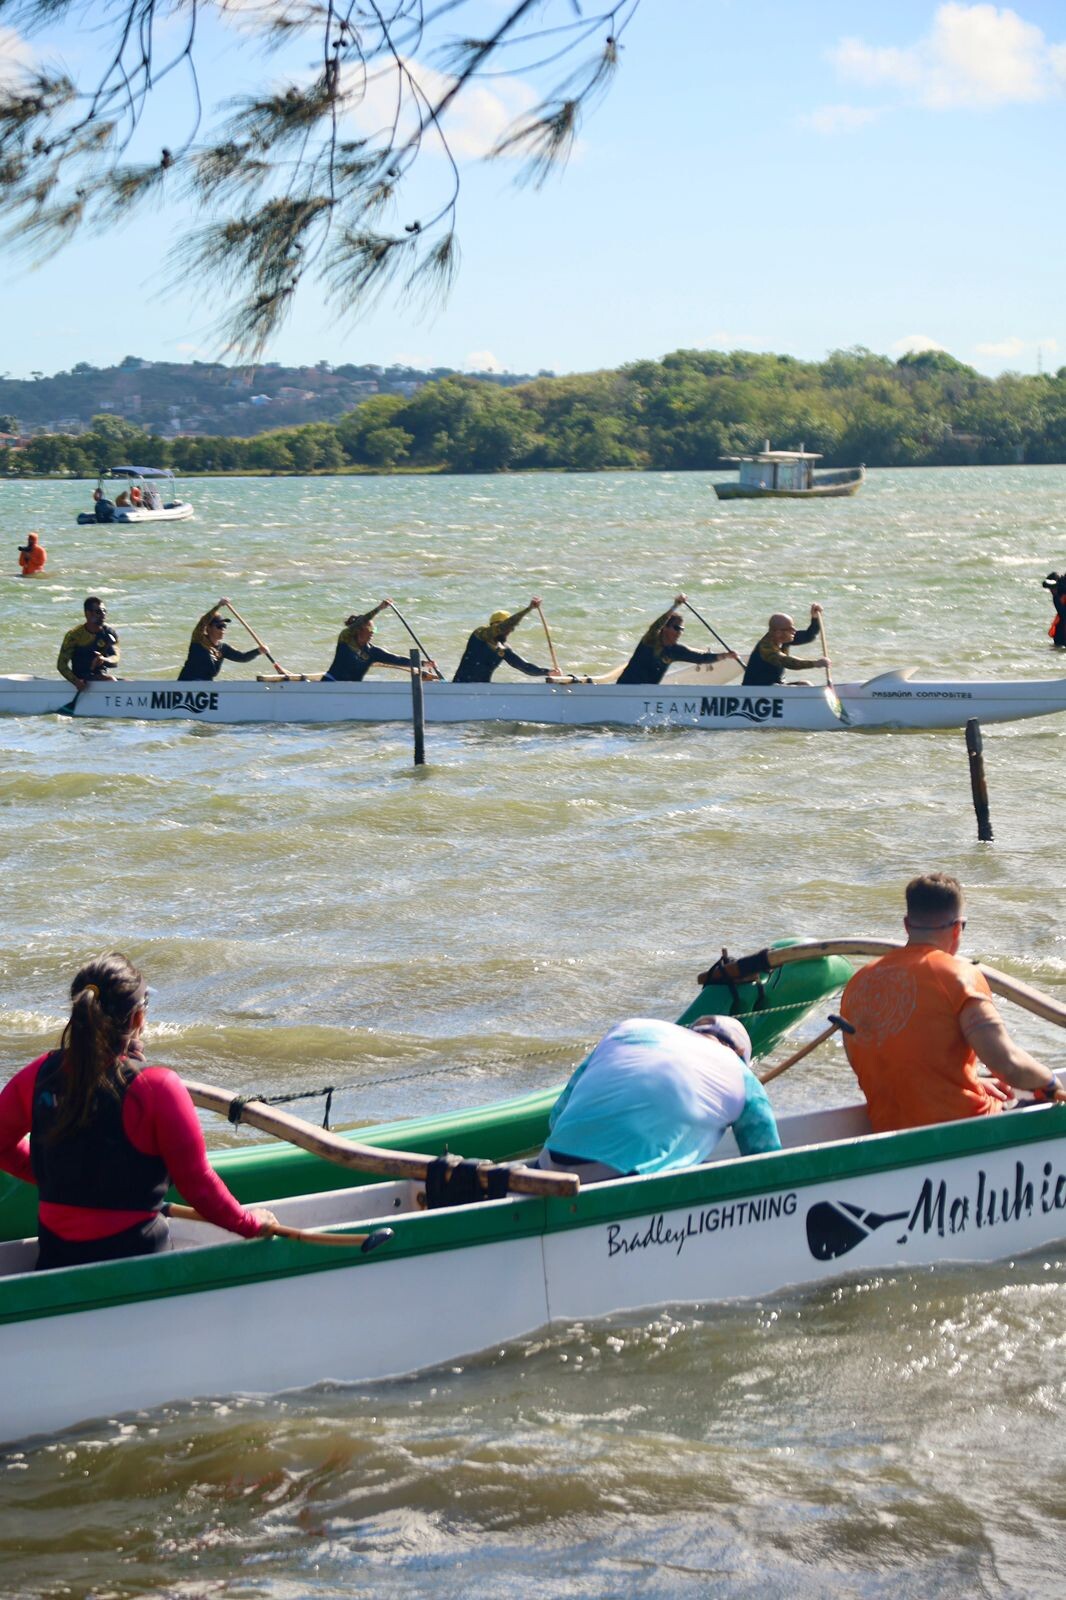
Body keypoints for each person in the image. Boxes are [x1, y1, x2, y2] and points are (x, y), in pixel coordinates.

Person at [0, 953, 277, 1270]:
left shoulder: (37, 1075)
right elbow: (197, 1184)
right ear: (138, 1019)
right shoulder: (158, 1087)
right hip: (137, 1265)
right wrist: (249, 1224)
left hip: (57, 1260)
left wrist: (61, 1178)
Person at [840, 873, 1064, 1134]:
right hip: (964, 1129)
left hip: (888, 1131)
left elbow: (893, 1061)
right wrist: (1050, 1082)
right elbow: (1008, 1065)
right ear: (958, 928)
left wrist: (972, 1080)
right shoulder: (958, 976)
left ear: (907, 925)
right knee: (1047, 1102)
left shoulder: (859, 983)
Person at [536, 1014, 780, 1183]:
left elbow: (556, 1117)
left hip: (549, 1164)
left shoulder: (627, 1029)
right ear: (741, 1054)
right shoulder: (743, 1077)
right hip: (622, 1179)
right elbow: (767, 1162)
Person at [616, 594, 741, 686]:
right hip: (624, 689)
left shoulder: (675, 651)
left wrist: (726, 655)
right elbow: (656, 625)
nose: (679, 632)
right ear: (665, 628)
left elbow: (701, 658)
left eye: (682, 629)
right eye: (676, 628)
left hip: (647, 693)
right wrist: (676, 605)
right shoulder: (651, 640)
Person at [323, 598, 438, 682]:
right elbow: (362, 621)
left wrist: (423, 663)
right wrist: (379, 608)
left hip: (351, 688)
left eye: (375, 629)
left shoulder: (373, 652)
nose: (372, 632)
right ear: (359, 629)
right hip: (331, 681)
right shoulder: (345, 638)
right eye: (370, 628)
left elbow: (397, 659)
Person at [452, 598, 560, 684]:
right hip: (460, 685)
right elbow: (504, 626)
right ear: (493, 626)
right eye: (508, 628)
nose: (508, 631)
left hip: (482, 691)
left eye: (511, 629)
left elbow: (524, 667)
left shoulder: (503, 649)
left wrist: (548, 672)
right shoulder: (480, 634)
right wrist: (529, 609)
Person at [742, 604, 829, 686]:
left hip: (775, 685)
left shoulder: (784, 638)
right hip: (756, 688)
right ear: (778, 632)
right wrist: (815, 663)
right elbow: (788, 662)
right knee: (805, 685)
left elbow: (808, 636)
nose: (794, 630)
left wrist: (815, 618)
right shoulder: (766, 648)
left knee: (805, 684)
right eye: (790, 628)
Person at [178, 602, 264, 681]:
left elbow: (243, 657)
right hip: (187, 682)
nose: (222, 630)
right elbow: (203, 622)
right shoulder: (198, 639)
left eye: (224, 626)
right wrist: (218, 606)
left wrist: (258, 651)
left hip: (206, 684)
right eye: (219, 626)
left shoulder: (223, 648)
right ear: (208, 628)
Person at [57, 597, 120, 690]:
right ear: (88, 614)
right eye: (98, 612)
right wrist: (76, 681)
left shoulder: (109, 633)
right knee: (111, 680)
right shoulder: (74, 635)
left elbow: (116, 658)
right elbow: (61, 665)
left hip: (100, 676)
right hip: (82, 679)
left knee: (130, 683)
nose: (103, 614)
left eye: (104, 611)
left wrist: (104, 660)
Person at [1043, 571, 1066, 647]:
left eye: (1052, 587)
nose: (1051, 590)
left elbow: (1063, 614)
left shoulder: (1059, 594)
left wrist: (1056, 596)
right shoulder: (1057, 595)